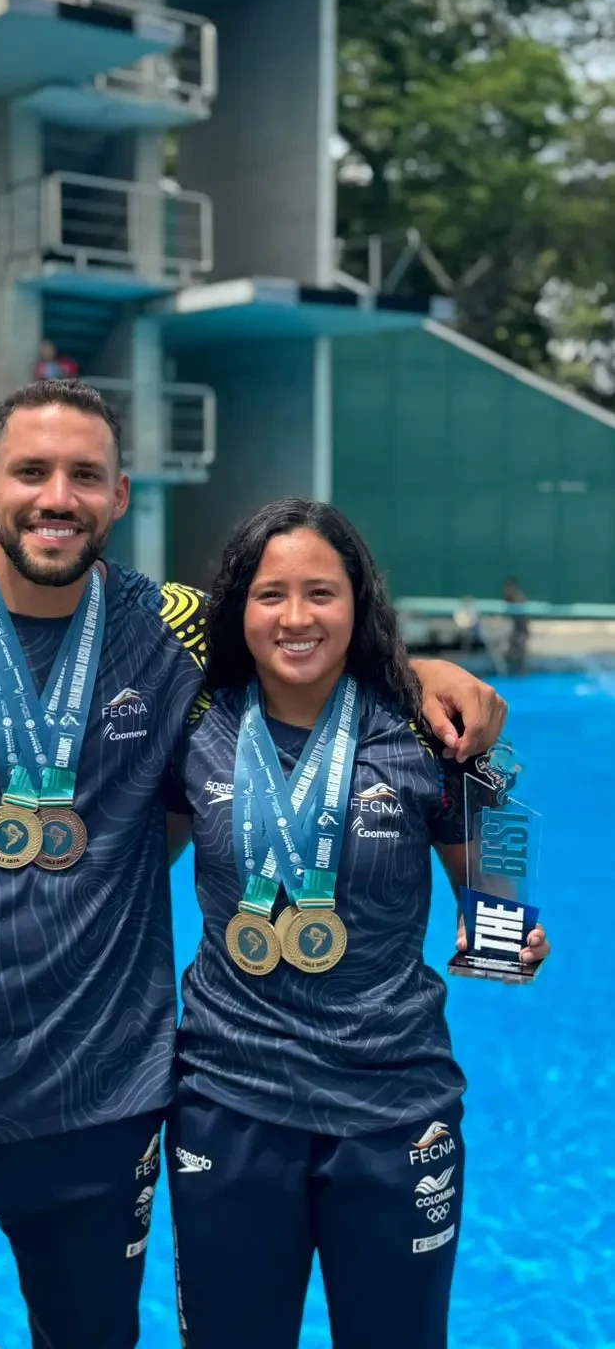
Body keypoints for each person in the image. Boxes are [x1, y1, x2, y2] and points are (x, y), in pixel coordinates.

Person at [0, 381, 507, 1349]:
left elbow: (303, 633)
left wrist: (426, 674)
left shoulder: (180, 627)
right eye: (33, 472)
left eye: (86, 475)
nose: (58, 496)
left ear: (120, 496)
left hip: (100, 1103)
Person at [165, 498, 549, 1349]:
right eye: (271, 595)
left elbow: (489, 888)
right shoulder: (195, 729)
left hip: (394, 1107)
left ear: (360, 603)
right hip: (230, 1102)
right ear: (240, 610)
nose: (296, 618)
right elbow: (115, 874)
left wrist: (512, 940)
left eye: (321, 593)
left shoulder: (430, 734)